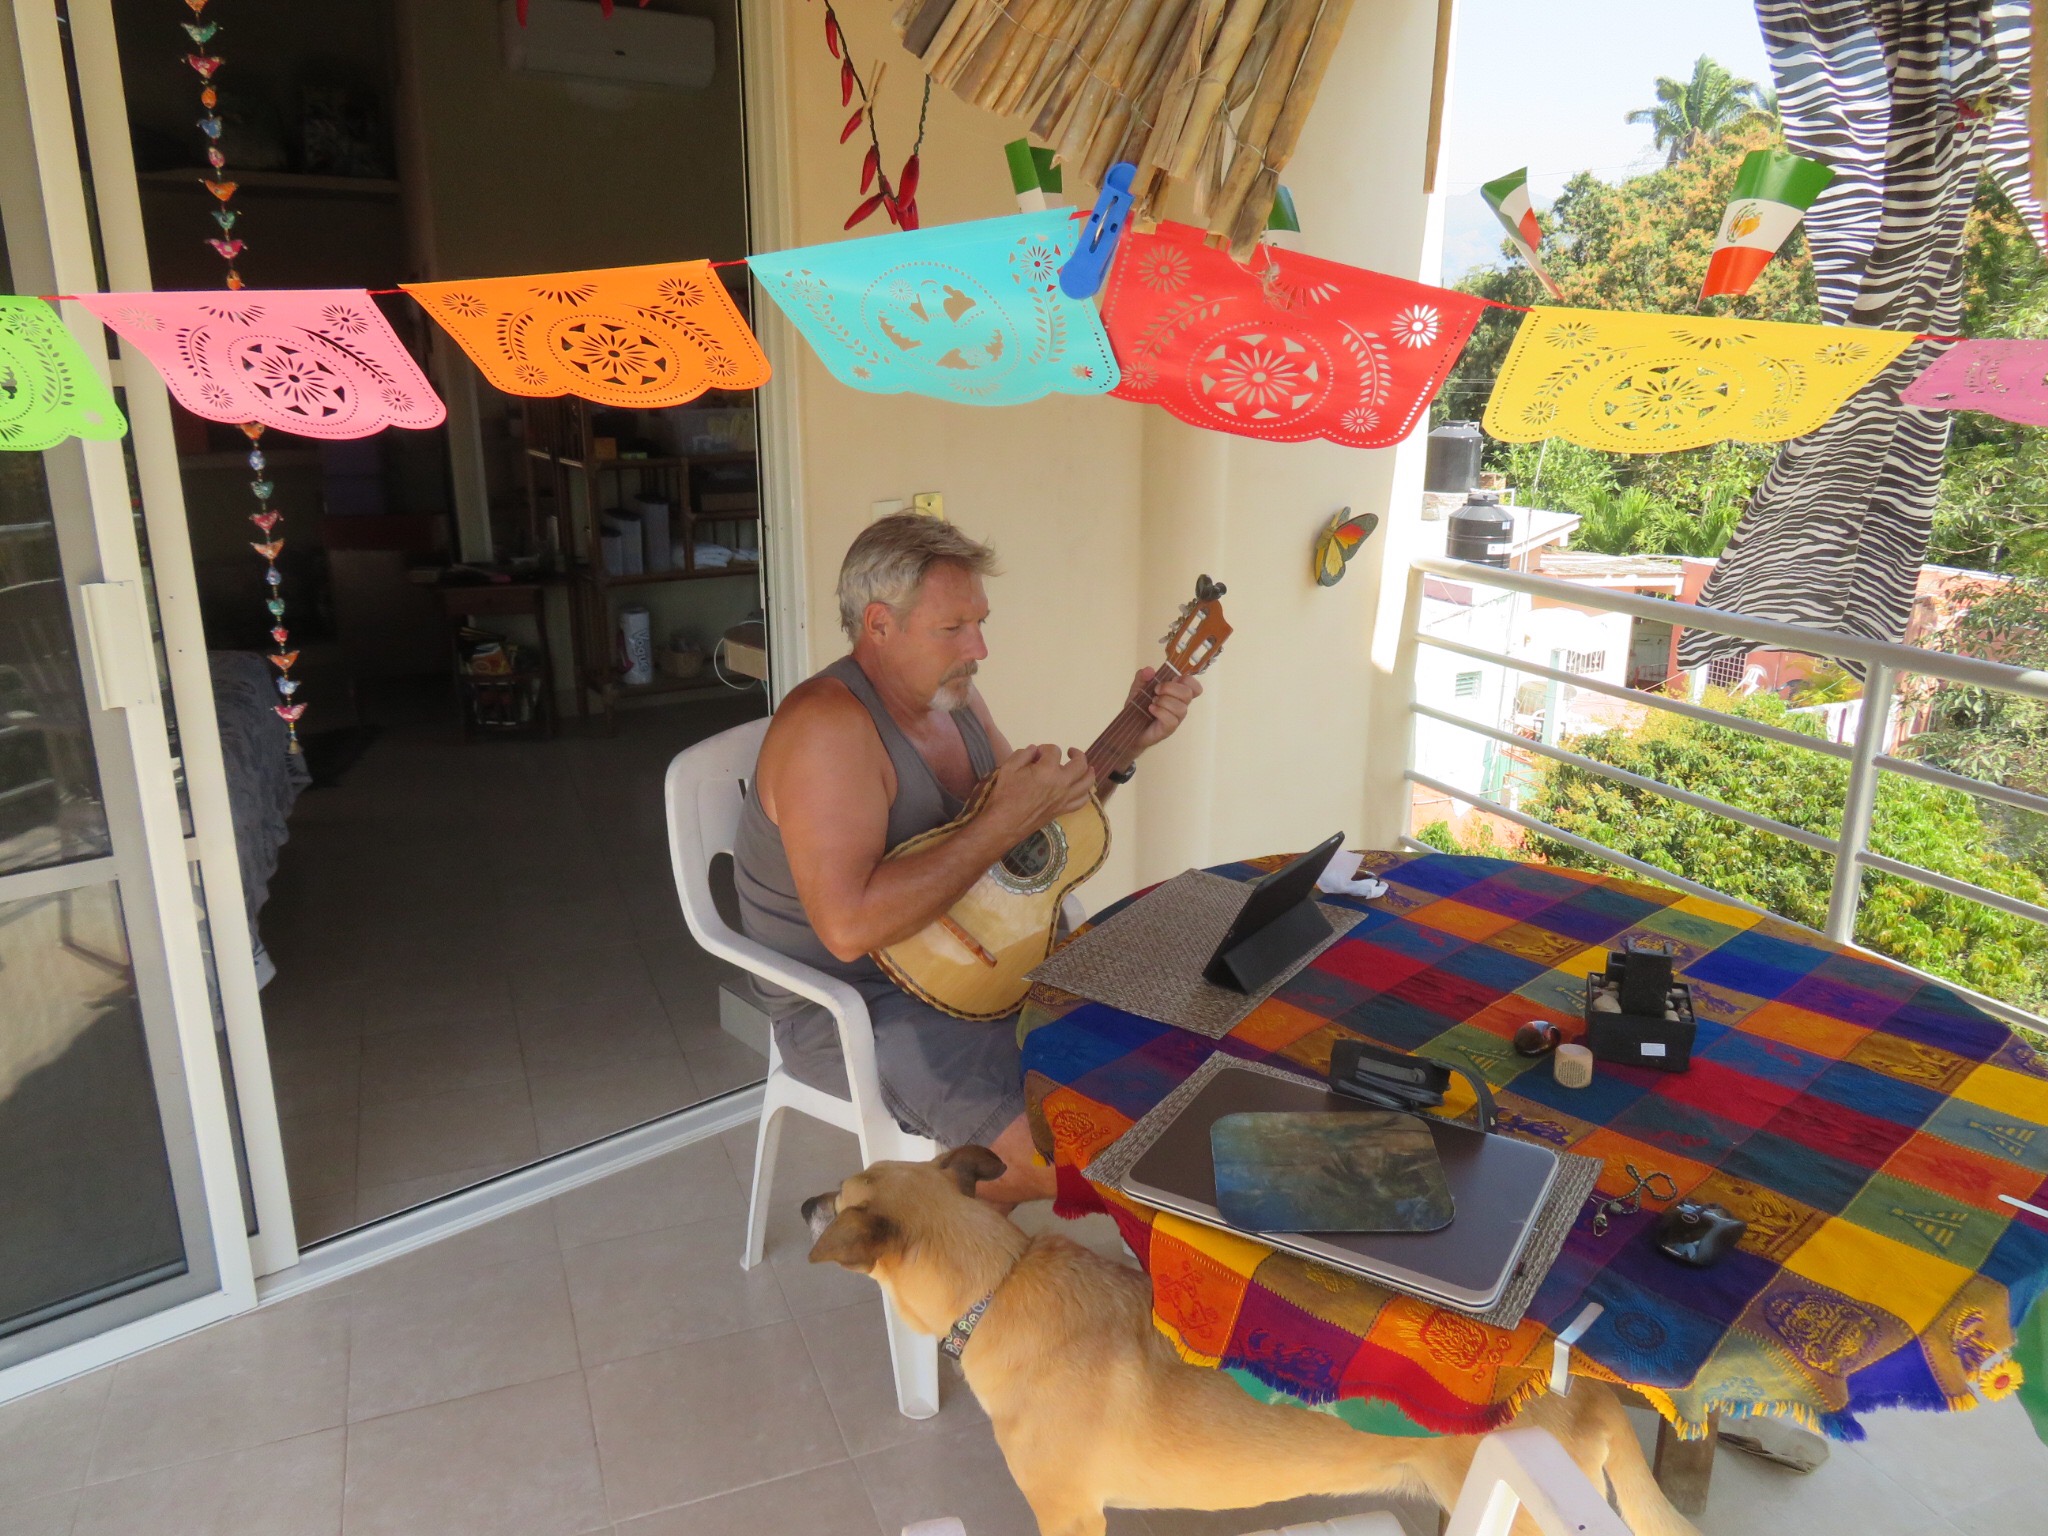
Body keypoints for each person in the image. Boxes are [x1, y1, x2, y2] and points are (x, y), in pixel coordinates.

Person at [734, 514, 1201, 1205]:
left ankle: (953, 1211)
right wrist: (1000, 823)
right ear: (879, 625)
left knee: (1162, 1059)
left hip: (977, 954)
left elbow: (1030, 841)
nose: (979, 647)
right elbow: (849, 928)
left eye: (979, 622)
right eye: (952, 628)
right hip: (863, 1005)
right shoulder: (828, 731)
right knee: (1075, 1161)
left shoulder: (954, 698)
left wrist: (1128, 743)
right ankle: (938, 1237)